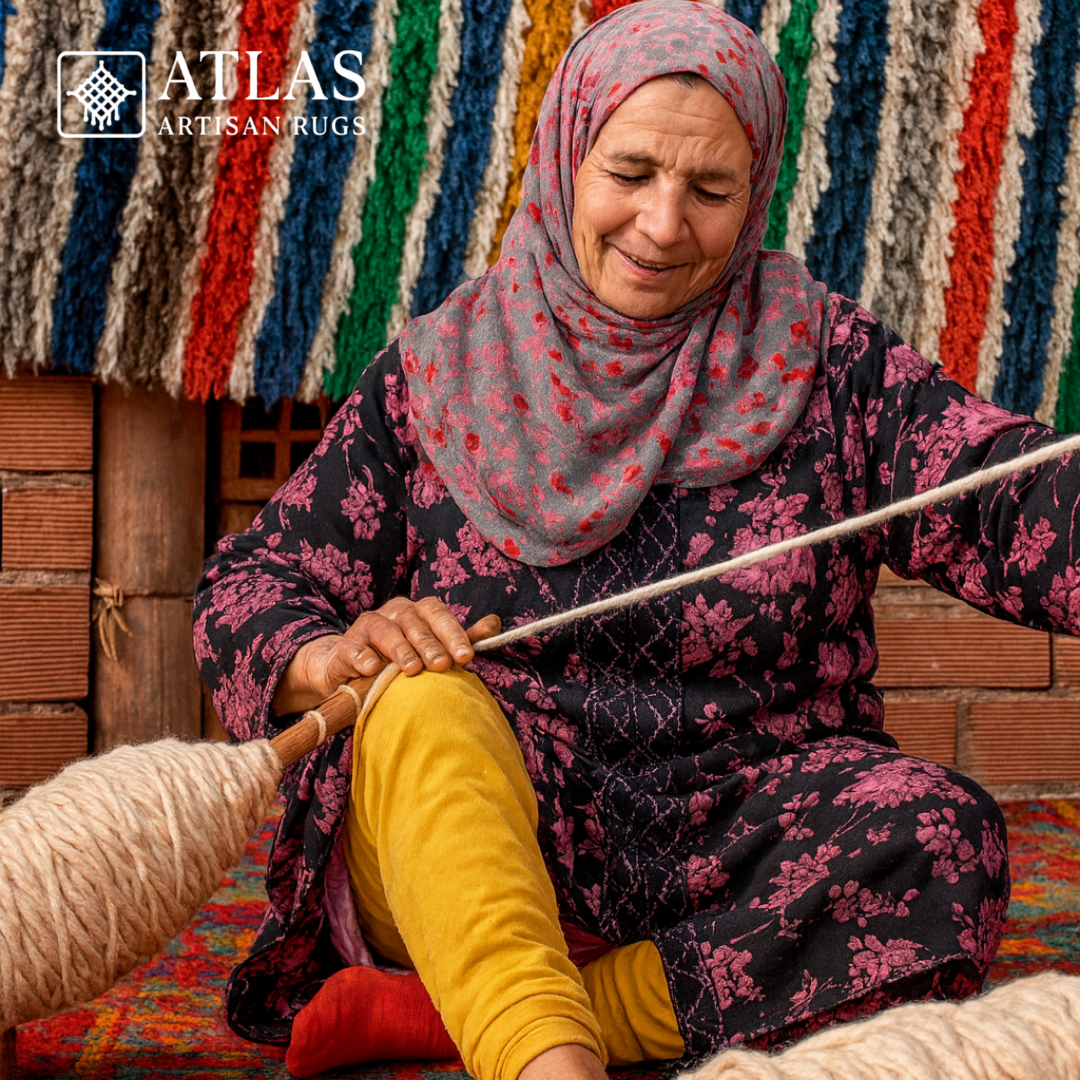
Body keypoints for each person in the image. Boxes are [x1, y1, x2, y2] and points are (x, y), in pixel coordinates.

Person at [192, 3, 1077, 1079]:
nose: (662, 225)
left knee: (939, 839)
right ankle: (546, 1053)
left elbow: (1006, 501)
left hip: (740, 840)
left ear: (756, 196)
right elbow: (253, 582)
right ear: (566, 155)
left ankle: (460, 1016)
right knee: (419, 708)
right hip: (481, 839)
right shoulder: (439, 374)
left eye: (710, 191)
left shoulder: (826, 361)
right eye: (630, 173)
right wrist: (333, 657)